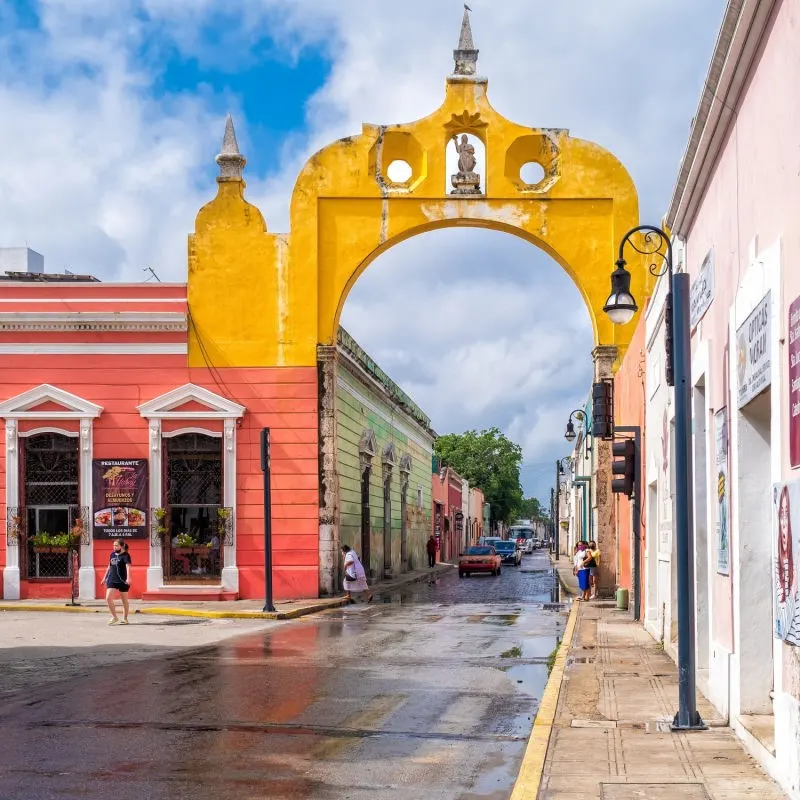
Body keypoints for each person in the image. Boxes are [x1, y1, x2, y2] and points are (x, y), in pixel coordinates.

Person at [103, 539, 132, 625]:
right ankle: (114, 617)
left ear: (122, 546)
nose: (114, 547)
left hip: (123, 580)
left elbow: (128, 567)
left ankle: (125, 618)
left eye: (116, 546)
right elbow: (109, 566)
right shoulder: (112, 554)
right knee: (108, 598)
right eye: (113, 545)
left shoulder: (126, 555)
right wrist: (105, 577)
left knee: (124, 600)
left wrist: (128, 578)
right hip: (112, 579)